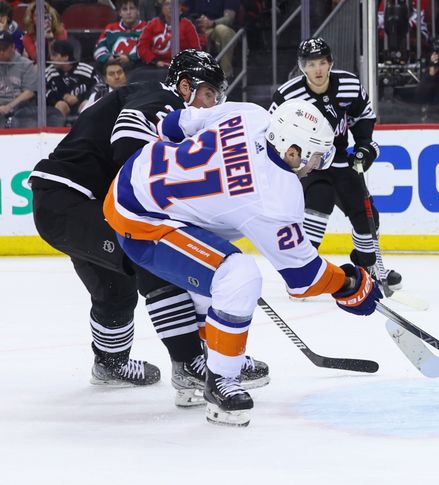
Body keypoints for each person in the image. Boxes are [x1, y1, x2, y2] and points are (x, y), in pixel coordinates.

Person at [103, 99, 382, 426]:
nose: (316, 165)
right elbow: (304, 279)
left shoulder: (251, 115)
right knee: (238, 275)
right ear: (292, 152)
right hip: (141, 219)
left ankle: (215, 352)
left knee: (220, 262)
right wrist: (349, 284)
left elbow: (174, 124)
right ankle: (220, 381)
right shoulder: (277, 198)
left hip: (138, 171)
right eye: (315, 156)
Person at [30, 50, 269, 406]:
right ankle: (191, 360)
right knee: (150, 255)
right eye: (208, 94)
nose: (212, 104)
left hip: (74, 205)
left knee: (117, 288)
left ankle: (110, 363)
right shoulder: (165, 99)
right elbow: (127, 144)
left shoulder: (158, 101)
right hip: (73, 201)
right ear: (185, 86)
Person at [269, 37, 403, 292]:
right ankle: (302, 272)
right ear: (302, 67)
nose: (317, 70)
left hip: (341, 160)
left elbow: (363, 116)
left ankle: (368, 266)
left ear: (330, 63)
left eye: (322, 62)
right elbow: (271, 130)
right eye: (310, 64)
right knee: (317, 207)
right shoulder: (288, 95)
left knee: (367, 217)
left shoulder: (349, 85)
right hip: (307, 166)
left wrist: (364, 146)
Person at [184, 0, 240, 79]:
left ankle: (225, 76)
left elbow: (229, 19)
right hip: (200, 30)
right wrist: (199, 23)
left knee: (222, 29)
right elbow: (187, 17)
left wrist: (212, 23)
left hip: (225, 31)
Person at [137, 0, 202, 69]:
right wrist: (155, 61)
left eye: (174, 4)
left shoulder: (187, 25)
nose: (171, 7)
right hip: (156, 67)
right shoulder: (153, 24)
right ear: (162, 8)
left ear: (180, 8)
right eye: (167, 4)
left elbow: (195, 49)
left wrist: (184, 63)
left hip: (181, 67)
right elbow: (142, 47)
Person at [45, 40, 102, 123]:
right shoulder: (49, 72)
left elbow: (99, 87)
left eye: (54, 55)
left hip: (81, 104)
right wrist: (62, 96)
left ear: (65, 57)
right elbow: (43, 92)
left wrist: (80, 98)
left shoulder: (86, 70)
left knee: (86, 105)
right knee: (61, 105)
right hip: (60, 106)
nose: (51, 58)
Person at [94, 0, 146, 68]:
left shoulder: (147, 28)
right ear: (120, 13)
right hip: (113, 67)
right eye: (125, 9)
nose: (128, 12)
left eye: (131, 8)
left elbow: (149, 50)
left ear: (138, 11)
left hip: (138, 68)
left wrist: (129, 58)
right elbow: (99, 49)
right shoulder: (110, 29)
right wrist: (108, 58)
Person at [0, 30, 36, 128]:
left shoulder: (25, 64)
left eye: (3, 49)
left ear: (13, 47)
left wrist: (9, 106)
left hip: (18, 107)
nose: (1, 52)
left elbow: (30, 92)